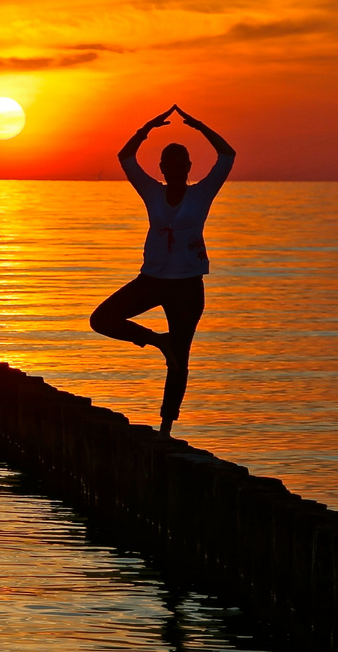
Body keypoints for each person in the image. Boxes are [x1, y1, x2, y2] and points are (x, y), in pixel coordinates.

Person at [90, 104, 236, 436]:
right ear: (162, 168)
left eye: (180, 163)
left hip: (187, 286)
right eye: (168, 164)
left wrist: (199, 126)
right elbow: (125, 158)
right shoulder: (152, 192)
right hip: (152, 280)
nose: (174, 169)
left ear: (188, 167)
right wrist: (146, 129)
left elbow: (227, 156)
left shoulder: (202, 194)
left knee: (180, 358)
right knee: (101, 319)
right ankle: (159, 342)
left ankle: (166, 429)